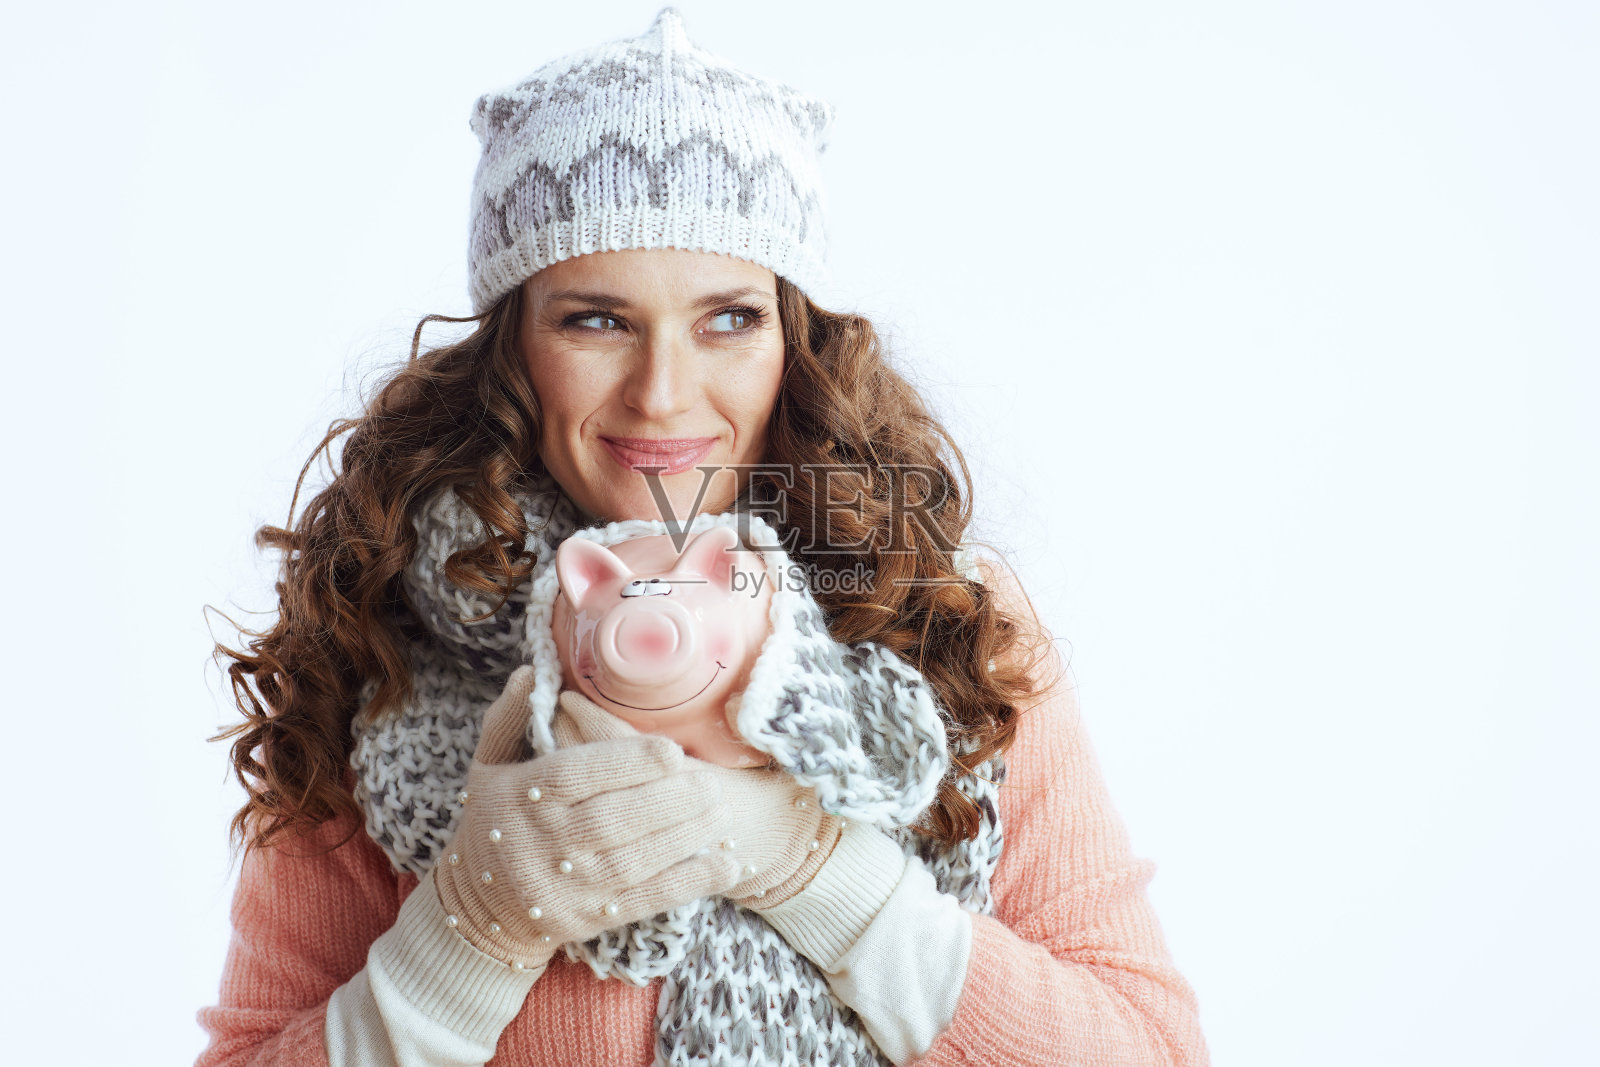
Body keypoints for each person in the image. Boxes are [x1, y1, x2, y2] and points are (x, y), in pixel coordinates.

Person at [194, 7, 1211, 1066]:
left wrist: (818, 871)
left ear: (795, 338)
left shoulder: (940, 621)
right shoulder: (385, 643)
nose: (663, 395)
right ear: (511, 346)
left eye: (728, 316)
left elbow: (1148, 1049)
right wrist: (468, 933)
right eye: (596, 318)